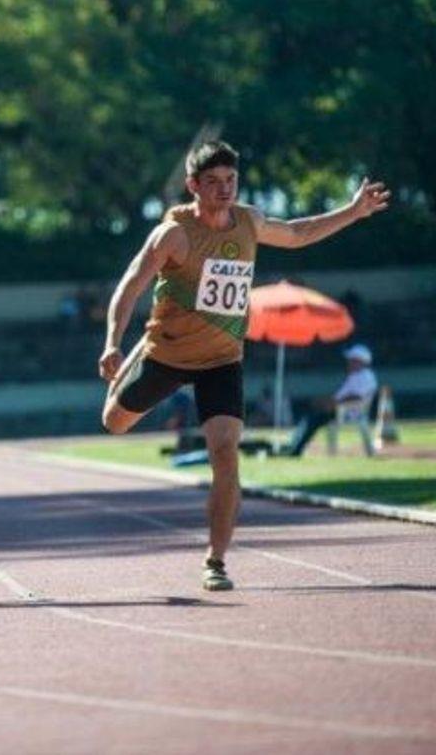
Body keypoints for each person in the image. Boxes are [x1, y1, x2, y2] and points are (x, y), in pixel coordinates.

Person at [98, 140, 389, 592]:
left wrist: (352, 211)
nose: (223, 190)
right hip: (167, 354)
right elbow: (130, 286)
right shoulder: (173, 235)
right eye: (213, 182)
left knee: (225, 454)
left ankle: (215, 561)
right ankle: (137, 353)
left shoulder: (249, 222)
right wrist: (112, 343)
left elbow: (297, 232)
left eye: (230, 181)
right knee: (114, 423)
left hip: (222, 358)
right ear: (193, 186)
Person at [288, 344, 378, 456]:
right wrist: (325, 401)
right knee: (308, 410)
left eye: (351, 360)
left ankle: (296, 449)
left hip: (348, 411)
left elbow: (357, 397)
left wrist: (334, 404)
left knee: (314, 419)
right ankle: (294, 445)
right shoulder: (355, 376)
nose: (348, 362)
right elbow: (341, 395)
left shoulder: (366, 377)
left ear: (360, 361)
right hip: (342, 409)